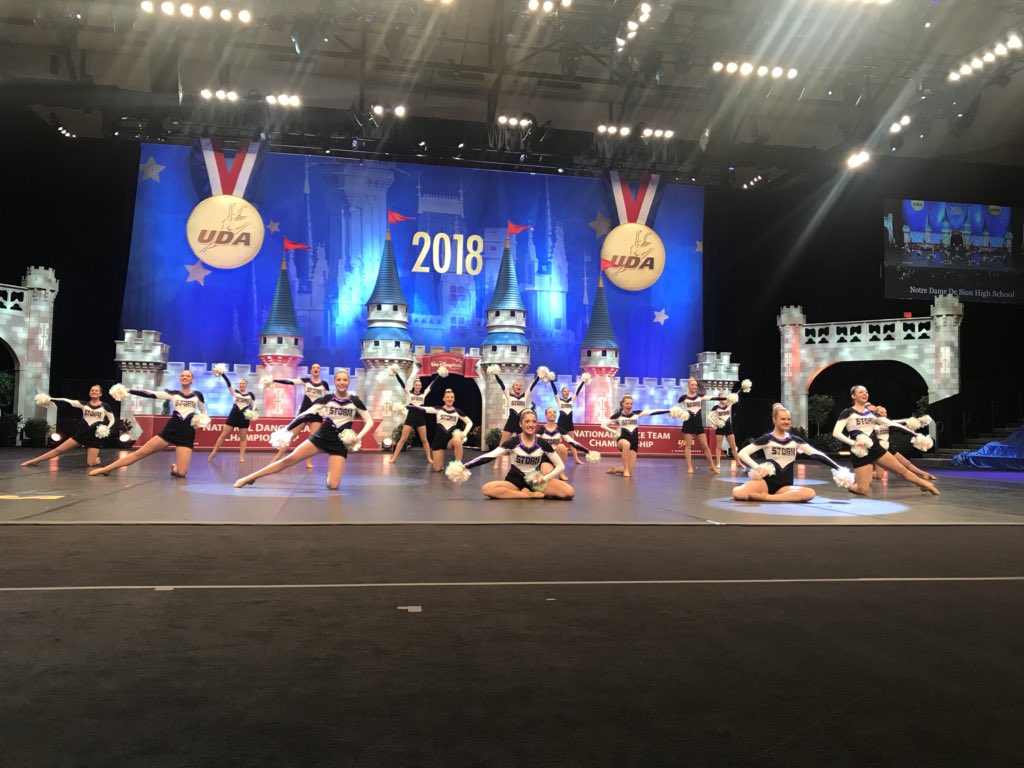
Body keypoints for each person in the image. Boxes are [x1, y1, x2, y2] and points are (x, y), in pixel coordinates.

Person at [235, 370, 372, 490]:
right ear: (334, 382)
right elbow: (305, 414)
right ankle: (249, 477)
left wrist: (357, 438)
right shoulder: (327, 398)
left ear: (348, 382)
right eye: (339, 380)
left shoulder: (354, 400)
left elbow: (369, 421)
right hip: (322, 437)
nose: (342, 382)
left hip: (340, 444)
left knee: (333, 485)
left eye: (345, 380)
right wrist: (288, 429)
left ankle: (329, 475)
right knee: (289, 460)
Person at [90, 370, 207, 478]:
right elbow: (149, 393)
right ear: (179, 379)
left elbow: (204, 413)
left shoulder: (198, 395)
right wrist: (128, 390)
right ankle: (106, 469)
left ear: (192, 380)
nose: (185, 377)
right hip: (171, 431)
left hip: (187, 434)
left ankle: (175, 468)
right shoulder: (173, 394)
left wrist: (200, 420)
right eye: (182, 375)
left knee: (181, 473)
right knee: (140, 453)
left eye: (188, 376)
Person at [832, 385, 939, 496]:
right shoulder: (848, 412)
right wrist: (853, 443)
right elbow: (836, 433)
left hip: (876, 449)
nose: (865, 394)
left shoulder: (873, 414)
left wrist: (914, 434)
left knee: (901, 470)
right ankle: (851, 486)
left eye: (866, 392)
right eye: (860, 392)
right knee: (863, 489)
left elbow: (893, 424)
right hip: (860, 453)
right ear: (853, 396)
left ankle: (925, 485)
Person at [732, 403, 850, 502]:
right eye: (783, 419)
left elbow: (816, 454)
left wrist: (837, 467)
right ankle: (773, 496)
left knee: (810, 493)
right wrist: (757, 467)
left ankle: (768, 498)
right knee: (738, 493)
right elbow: (742, 453)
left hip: (785, 486)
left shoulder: (795, 440)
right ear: (774, 420)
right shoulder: (767, 438)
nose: (786, 422)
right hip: (766, 482)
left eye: (788, 419)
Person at [459, 410, 575, 499]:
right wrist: (465, 466)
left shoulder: (542, 443)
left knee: (569, 492)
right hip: (514, 481)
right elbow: (489, 456)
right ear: (520, 424)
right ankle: (525, 495)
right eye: (527, 421)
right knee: (487, 489)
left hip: (535, 481)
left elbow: (560, 466)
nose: (531, 424)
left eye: (534, 421)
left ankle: (529, 491)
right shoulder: (513, 442)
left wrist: (544, 479)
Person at [21, 385, 115, 468]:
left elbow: (112, 419)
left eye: (96, 390)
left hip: (94, 437)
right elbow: (67, 401)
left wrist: (107, 428)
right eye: (92, 390)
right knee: (58, 450)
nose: (94, 392)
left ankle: (96, 459)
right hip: (81, 434)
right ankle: (34, 461)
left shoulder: (105, 406)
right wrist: (50, 399)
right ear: (89, 393)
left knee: (91, 463)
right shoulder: (84, 404)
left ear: (100, 394)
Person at [267, 363, 331, 469]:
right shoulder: (306, 381)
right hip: (304, 412)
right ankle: (276, 459)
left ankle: (308, 462)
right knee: (290, 436)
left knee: (312, 439)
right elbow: (290, 381)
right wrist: (274, 380)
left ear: (320, 371)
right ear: (311, 371)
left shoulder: (324, 384)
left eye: (318, 368)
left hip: (316, 414)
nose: (316, 369)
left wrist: (327, 411)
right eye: (314, 367)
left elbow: (329, 398)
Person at [602, 394, 671, 478]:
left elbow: (653, 411)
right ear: (623, 404)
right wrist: (614, 431)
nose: (629, 405)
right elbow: (603, 425)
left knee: (630, 471)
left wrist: (668, 410)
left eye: (631, 404)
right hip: (622, 439)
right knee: (626, 444)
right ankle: (625, 470)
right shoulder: (618, 416)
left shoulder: (636, 414)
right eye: (627, 403)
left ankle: (615, 469)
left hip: (634, 441)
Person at [408, 388, 473, 473]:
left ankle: (458, 465)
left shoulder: (457, 411)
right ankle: (440, 465)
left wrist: (464, 434)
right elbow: (422, 408)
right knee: (437, 469)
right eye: (448, 397)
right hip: (439, 441)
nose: (450, 399)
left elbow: (469, 423)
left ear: (454, 399)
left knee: (457, 436)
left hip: (451, 441)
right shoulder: (438, 409)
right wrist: (406, 406)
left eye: (452, 397)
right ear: (444, 399)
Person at [870, 405, 938, 482]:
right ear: (876, 413)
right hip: (879, 450)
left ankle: (924, 474)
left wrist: (918, 421)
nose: (884, 414)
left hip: (889, 448)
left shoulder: (889, 422)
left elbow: (902, 421)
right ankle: (863, 474)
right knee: (879, 476)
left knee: (907, 463)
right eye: (881, 412)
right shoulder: (871, 424)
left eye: (885, 412)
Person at [389, 363, 438, 464]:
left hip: (420, 419)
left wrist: (439, 375)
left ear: (421, 386)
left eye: (419, 385)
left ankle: (429, 458)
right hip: (410, 418)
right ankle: (393, 458)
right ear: (414, 386)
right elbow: (402, 384)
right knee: (403, 439)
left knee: (424, 440)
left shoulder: (424, 394)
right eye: (416, 385)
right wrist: (396, 373)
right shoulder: (409, 393)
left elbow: (431, 386)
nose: (418, 386)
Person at [208, 371, 256, 463]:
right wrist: (222, 374)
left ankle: (241, 457)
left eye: (243, 383)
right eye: (240, 383)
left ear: (246, 385)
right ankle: (213, 452)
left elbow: (253, 406)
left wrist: (252, 413)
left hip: (244, 418)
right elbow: (228, 383)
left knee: (243, 438)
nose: (241, 385)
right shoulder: (235, 392)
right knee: (223, 435)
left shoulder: (250, 395)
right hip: (233, 415)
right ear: (238, 385)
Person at [540, 406, 595, 480]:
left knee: (562, 447)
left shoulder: (559, 429)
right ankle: (547, 468)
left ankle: (561, 473)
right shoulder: (541, 429)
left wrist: (587, 451)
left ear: (556, 415)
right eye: (550, 412)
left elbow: (573, 442)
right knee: (547, 476)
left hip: (556, 457)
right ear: (546, 416)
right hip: (545, 457)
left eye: (554, 412)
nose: (552, 414)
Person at [678, 377, 719, 474]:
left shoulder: (700, 396)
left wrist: (727, 398)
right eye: (692, 385)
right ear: (688, 386)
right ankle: (689, 467)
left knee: (705, 447)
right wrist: (681, 414)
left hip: (698, 424)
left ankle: (712, 466)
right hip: (688, 423)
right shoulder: (683, 398)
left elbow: (713, 398)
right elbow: (677, 409)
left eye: (695, 385)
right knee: (688, 446)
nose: (694, 387)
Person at [492, 368, 542, 446]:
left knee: (524, 444)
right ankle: (497, 458)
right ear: (513, 387)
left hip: (521, 423)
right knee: (502, 445)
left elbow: (531, 386)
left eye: (520, 385)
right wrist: (495, 373)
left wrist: (539, 376)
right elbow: (502, 385)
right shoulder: (509, 395)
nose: (519, 386)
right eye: (516, 385)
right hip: (511, 421)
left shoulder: (524, 396)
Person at [551, 376, 588, 464]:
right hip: (560, 424)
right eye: (564, 391)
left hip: (569, 424)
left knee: (572, 442)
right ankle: (554, 460)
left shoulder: (572, 400)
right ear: (562, 393)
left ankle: (576, 459)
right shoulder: (559, 400)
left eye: (568, 391)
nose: (566, 392)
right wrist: (551, 381)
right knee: (557, 442)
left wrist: (583, 381)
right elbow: (555, 391)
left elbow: (577, 392)